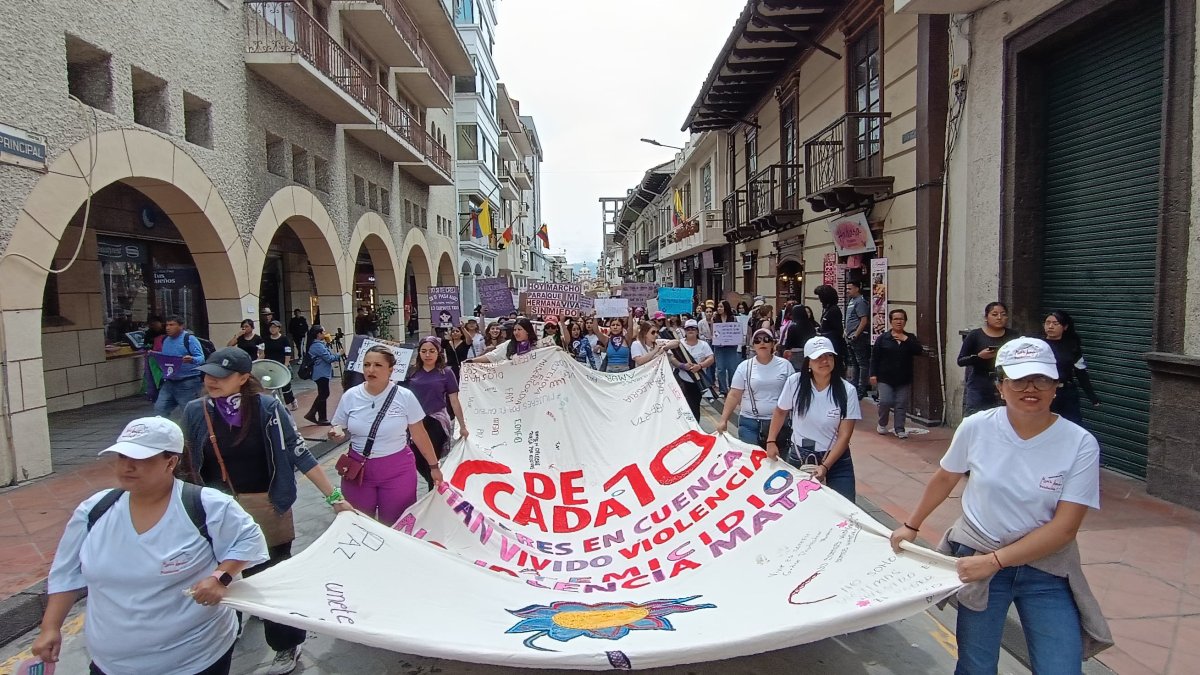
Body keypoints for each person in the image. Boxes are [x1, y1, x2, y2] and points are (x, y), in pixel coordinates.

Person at [889, 337, 1111, 673]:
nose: (1030, 388)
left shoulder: (1079, 443)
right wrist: (911, 524)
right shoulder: (977, 427)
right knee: (976, 665)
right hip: (976, 554)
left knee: (1060, 667)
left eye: (1041, 379)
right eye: (1019, 379)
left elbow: (1064, 528)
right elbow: (946, 477)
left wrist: (996, 561)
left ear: (1056, 386)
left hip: (1045, 568)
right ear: (1001, 386)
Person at [33, 417, 267, 675]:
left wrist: (219, 578)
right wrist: (50, 627)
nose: (128, 466)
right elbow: (66, 573)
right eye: (122, 456)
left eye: (141, 458)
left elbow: (249, 540)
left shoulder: (206, 505)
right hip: (110, 664)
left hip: (194, 659)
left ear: (171, 462)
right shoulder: (93, 511)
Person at [183, 347, 351, 674]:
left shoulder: (266, 408)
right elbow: (188, 463)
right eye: (208, 375)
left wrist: (335, 498)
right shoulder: (195, 411)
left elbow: (299, 454)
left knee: (270, 577)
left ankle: (286, 644)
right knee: (222, 578)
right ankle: (224, 637)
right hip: (217, 510)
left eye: (221, 376)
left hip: (266, 504)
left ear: (244, 378)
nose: (211, 381)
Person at [328, 346, 442, 524]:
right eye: (366, 365)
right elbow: (339, 424)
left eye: (377, 365)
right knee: (358, 523)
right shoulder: (351, 396)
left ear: (391, 370)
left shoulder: (405, 396)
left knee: (396, 524)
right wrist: (336, 432)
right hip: (358, 470)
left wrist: (433, 467)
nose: (370, 370)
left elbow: (419, 434)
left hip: (397, 469)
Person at [766, 336, 861, 502]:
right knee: (796, 506)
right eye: (818, 357)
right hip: (800, 455)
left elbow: (845, 435)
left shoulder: (848, 391)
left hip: (836, 459)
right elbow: (781, 411)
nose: (825, 361)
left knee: (845, 508)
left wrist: (825, 466)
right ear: (808, 362)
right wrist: (771, 441)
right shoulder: (794, 383)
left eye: (829, 356)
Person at [405, 337, 468, 490]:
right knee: (415, 457)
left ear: (438, 352)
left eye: (432, 351)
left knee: (432, 459)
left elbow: (454, 400)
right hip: (414, 421)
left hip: (436, 422)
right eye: (424, 351)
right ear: (419, 352)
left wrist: (462, 426)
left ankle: (434, 490)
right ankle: (437, 485)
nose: (428, 355)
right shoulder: (411, 372)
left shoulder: (446, 372)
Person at [717, 328, 793, 446]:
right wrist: (723, 420)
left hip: (778, 424)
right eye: (757, 340)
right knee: (751, 460)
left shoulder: (785, 365)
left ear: (773, 344)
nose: (762, 343)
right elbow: (734, 394)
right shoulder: (744, 366)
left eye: (766, 339)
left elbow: (794, 394)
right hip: (750, 423)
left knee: (776, 462)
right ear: (753, 346)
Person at [957, 302, 1018, 417]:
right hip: (979, 381)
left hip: (1004, 381)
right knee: (975, 416)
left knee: (1003, 416)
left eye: (1003, 314)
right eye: (994, 314)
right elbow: (961, 361)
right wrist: (978, 356)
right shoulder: (975, 335)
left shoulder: (1013, 336)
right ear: (986, 317)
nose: (999, 318)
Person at [869, 309, 924, 438]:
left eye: (901, 319)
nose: (899, 321)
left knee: (901, 404)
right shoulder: (883, 338)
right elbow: (875, 357)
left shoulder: (910, 338)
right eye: (896, 319)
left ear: (905, 321)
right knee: (885, 401)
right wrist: (873, 374)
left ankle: (899, 428)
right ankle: (882, 423)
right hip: (885, 378)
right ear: (890, 321)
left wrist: (905, 339)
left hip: (903, 378)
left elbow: (918, 350)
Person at [1043, 310, 1101, 425]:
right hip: (1045, 392)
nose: (1050, 326)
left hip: (1066, 393)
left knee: (1072, 425)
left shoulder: (1072, 346)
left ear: (1065, 327)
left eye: (1055, 323)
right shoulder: (1038, 345)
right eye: (1047, 322)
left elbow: (1080, 371)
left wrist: (1092, 396)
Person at [154, 315, 207, 419]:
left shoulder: (190, 339)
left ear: (181, 326)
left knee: (189, 412)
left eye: (172, 325)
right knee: (159, 409)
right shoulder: (165, 340)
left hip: (188, 382)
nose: (168, 328)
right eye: (167, 325)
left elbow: (201, 358)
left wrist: (192, 359)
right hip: (169, 381)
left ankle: (190, 433)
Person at [668, 319, 715, 421]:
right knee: (682, 407)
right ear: (684, 330)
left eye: (693, 328)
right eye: (688, 328)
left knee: (694, 407)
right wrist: (682, 365)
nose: (690, 330)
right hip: (683, 380)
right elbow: (672, 358)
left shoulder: (704, 345)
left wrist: (700, 366)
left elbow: (711, 358)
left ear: (697, 331)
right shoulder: (678, 344)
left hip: (697, 382)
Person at [303, 325, 342, 426]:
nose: (325, 333)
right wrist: (339, 354)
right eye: (323, 332)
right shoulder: (317, 346)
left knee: (323, 394)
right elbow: (329, 358)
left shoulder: (319, 344)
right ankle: (315, 415)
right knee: (324, 394)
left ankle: (321, 417)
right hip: (320, 373)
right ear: (318, 334)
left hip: (322, 372)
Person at [468, 318, 538, 364]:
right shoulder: (508, 344)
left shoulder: (537, 346)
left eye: (519, 330)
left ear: (527, 331)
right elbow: (492, 356)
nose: (516, 332)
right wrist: (472, 361)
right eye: (514, 330)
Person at [262, 320, 297, 410]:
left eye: (274, 327)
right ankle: (276, 404)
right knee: (270, 385)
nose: (272, 329)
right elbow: (263, 353)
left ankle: (291, 401)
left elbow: (288, 352)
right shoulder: (266, 339)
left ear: (279, 329)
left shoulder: (284, 339)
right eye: (271, 327)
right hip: (270, 366)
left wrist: (285, 364)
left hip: (281, 364)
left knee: (285, 386)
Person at [844, 280, 871, 398]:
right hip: (850, 336)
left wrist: (856, 334)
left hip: (858, 338)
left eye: (850, 288)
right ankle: (854, 385)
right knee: (854, 363)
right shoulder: (851, 301)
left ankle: (861, 387)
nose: (847, 291)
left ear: (857, 289)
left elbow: (863, 320)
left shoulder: (860, 302)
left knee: (861, 363)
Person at [814, 285, 847, 377]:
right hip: (827, 345)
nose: (820, 300)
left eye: (821, 297)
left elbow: (838, 331)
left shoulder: (834, 310)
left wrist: (822, 334)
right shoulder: (827, 310)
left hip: (834, 346)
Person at [712, 300, 741, 395]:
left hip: (731, 347)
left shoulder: (733, 318)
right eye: (718, 307)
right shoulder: (715, 318)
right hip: (719, 347)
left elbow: (736, 331)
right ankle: (723, 390)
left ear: (726, 307)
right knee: (720, 368)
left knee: (732, 367)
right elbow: (713, 332)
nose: (719, 308)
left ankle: (732, 388)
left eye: (721, 307)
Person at [781, 304, 818, 371]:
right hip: (808, 353)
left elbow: (789, 342)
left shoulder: (793, 326)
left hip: (795, 354)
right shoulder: (810, 326)